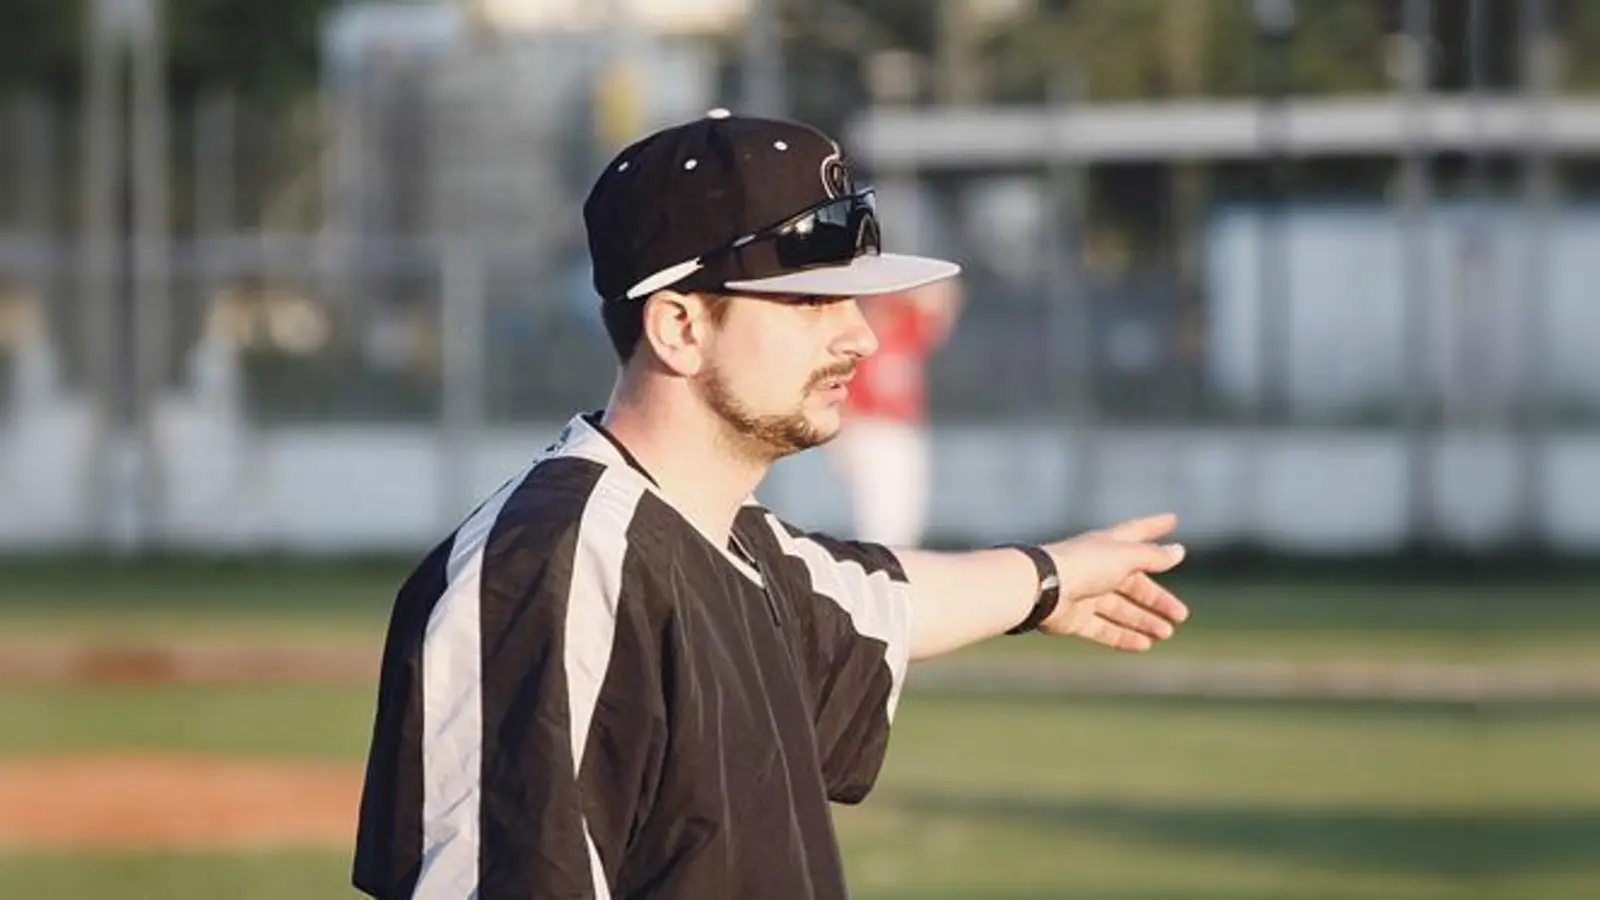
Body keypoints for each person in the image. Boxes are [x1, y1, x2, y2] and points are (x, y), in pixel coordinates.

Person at [353, 110, 1189, 900]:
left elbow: (888, 600)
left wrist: (1051, 577)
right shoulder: (551, 571)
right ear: (680, 327)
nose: (858, 335)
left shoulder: (738, 546)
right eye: (810, 300)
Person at [833, 276, 963, 548]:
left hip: (902, 428)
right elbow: (840, 397)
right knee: (879, 518)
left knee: (907, 514)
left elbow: (945, 296)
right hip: (868, 429)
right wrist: (841, 438)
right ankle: (876, 571)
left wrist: (912, 287)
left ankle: (901, 568)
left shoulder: (904, 330)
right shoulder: (858, 342)